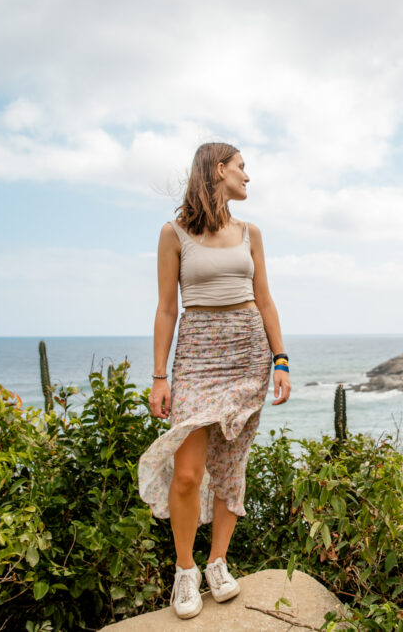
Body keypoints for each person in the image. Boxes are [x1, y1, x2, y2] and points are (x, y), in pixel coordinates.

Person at [137, 142, 291, 619]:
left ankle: (217, 563)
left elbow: (264, 299)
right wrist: (160, 376)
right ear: (219, 169)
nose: (249, 177)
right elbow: (167, 309)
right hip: (198, 356)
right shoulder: (174, 233)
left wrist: (280, 360)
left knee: (231, 467)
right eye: (242, 168)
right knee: (187, 473)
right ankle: (184, 572)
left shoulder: (251, 232)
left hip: (248, 355)